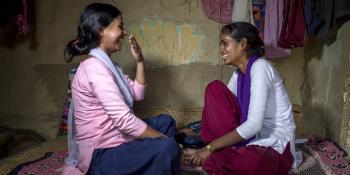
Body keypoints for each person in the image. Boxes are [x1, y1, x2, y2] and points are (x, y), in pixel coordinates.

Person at [62, 3, 180, 175]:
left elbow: (138, 94)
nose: (124, 32)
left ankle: (159, 157)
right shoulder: (93, 68)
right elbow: (124, 120)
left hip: (119, 138)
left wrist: (140, 61)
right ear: (101, 30)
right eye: (120, 27)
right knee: (168, 147)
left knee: (166, 122)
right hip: (100, 154)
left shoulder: (111, 67)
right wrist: (166, 141)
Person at [186, 22, 298, 175]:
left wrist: (210, 147)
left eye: (225, 44)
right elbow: (223, 113)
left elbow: (254, 125)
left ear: (243, 44)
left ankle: (215, 155)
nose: (221, 49)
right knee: (215, 89)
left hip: (273, 144)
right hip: (249, 142)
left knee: (249, 162)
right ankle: (219, 154)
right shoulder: (238, 75)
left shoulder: (261, 67)